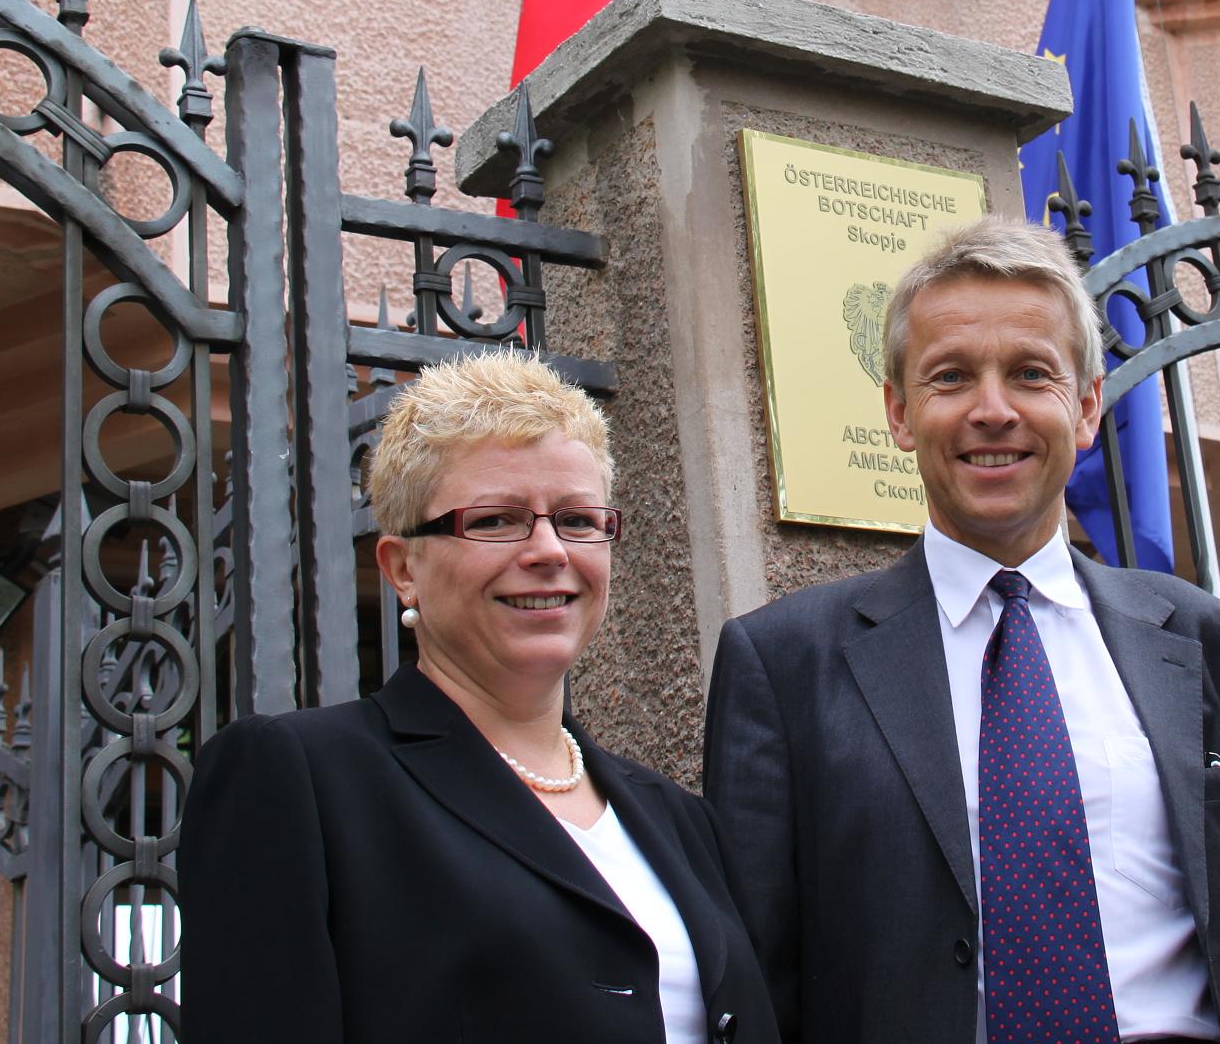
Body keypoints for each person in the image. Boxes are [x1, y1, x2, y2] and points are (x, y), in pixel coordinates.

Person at [703, 216, 1220, 1044]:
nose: (993, 411)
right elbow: (755, 977)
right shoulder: (782, 668)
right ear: (897, 412)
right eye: (951, 377)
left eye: (1031, 374)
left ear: (1088, 405)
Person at [181, 352, 776, 1044]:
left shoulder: (679, 819)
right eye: (496, 520)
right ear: (403, 569)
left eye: (579, 520)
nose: (550, 549)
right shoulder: (300, 779)